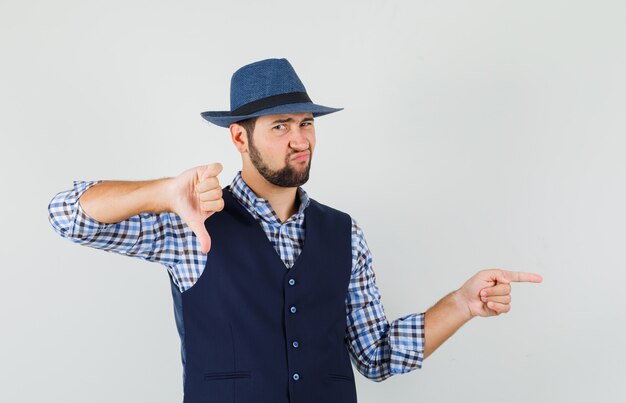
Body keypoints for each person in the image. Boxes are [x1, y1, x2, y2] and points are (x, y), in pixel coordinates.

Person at [47, 58, 543, 403]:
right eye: (281, 126)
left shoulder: (344, 233)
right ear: (240, 137)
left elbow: (376, 356)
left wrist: (460, 303)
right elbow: (66, 213)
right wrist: (161, 192)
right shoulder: (190, 224)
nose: (300, 140)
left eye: (306, 124)